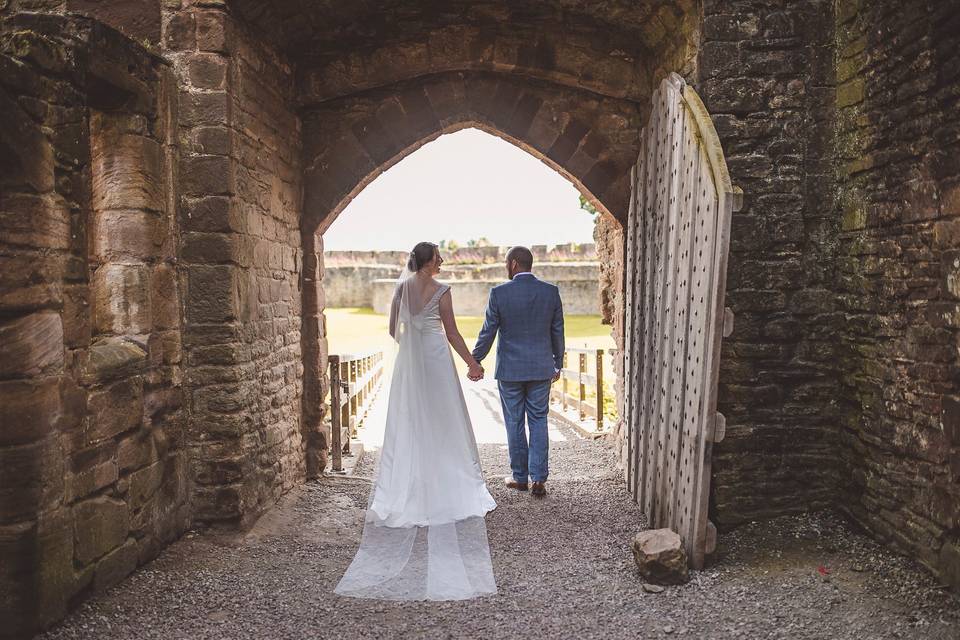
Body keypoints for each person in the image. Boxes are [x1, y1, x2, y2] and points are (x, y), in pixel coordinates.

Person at [334, 241, 497, 601]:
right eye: (438, 255)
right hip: (437, 360)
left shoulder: (401, 287)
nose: (442, 260)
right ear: (428, 261)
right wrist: (472, 362)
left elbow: (394, 331)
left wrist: (413, 345)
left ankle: (411, 484)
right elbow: (452, 332)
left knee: (412, 420)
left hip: (412, 363)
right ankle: (447, 481)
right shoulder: (442, 291)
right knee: (444, 421)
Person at [472, 246, 565, 498]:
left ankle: (520, 477)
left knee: (514, 422)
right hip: (540, 368)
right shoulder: (550, 292)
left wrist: (475, 360)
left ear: (513, 264)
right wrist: (557, 363)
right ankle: (539, 478)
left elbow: (488, 331)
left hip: (510, 370)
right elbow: (557, 331)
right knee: (538, 420)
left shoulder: (499, 293)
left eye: (506, 262)